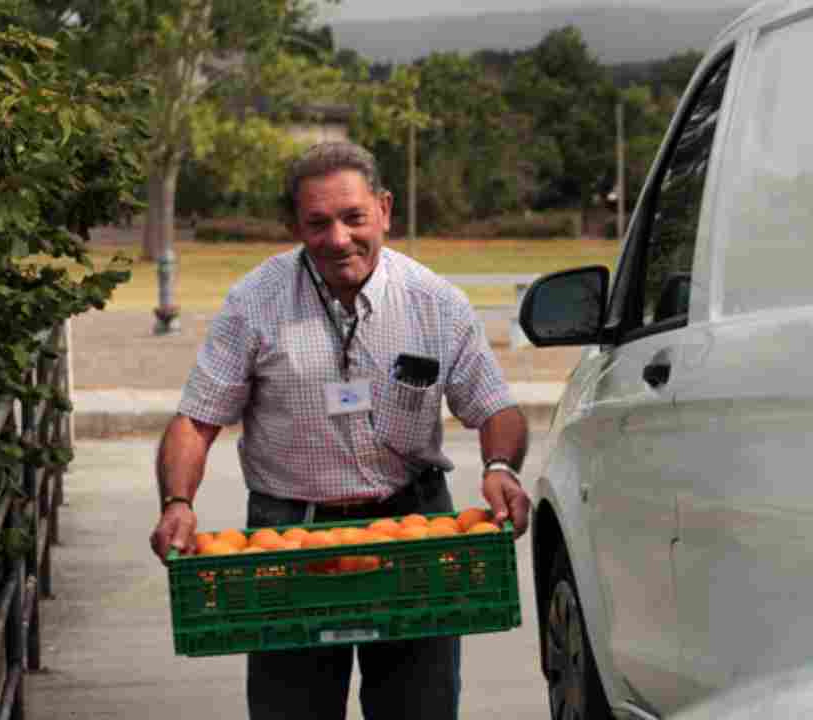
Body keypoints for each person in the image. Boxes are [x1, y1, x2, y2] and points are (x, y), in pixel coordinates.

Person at [149, 140, 530, 720]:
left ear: (384, 209)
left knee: (419, 709)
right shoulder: (256, 302)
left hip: (415, 532)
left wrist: (500, 468)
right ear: (294, 225)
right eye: (317, 223)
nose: (338, 238)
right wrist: (177, 501)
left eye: (353, 217)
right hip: (287, 540)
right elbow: (196, 420)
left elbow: (495, 407)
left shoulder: (435, 303)